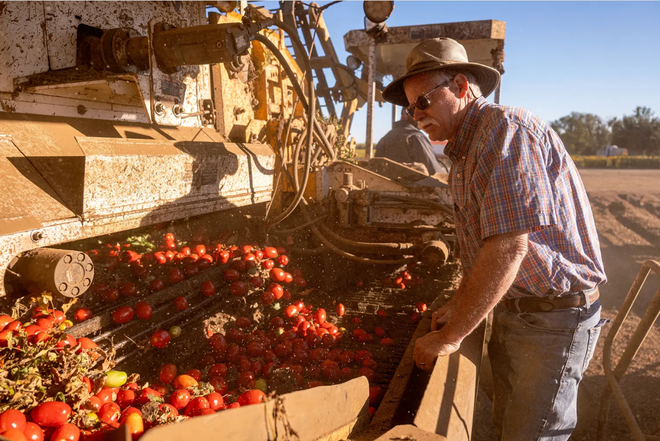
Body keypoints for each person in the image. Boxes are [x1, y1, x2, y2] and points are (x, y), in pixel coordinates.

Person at [382, 37, 607, 441]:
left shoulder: (505, 133)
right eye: (409, 107)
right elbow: (481, 246)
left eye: (423, 102)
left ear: (461, 86)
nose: (415, 115)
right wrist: (460, 300)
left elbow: (508, 247)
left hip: (553, 319)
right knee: (508, 425)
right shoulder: (464, 152)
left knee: (532, 434)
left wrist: (450, 338)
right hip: (518, 311)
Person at [374, 109, 443, 175]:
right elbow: (436, 174)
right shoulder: (415, 136)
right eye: (414, 112)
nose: (421, 116)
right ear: (405, 113)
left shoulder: (384, 139)